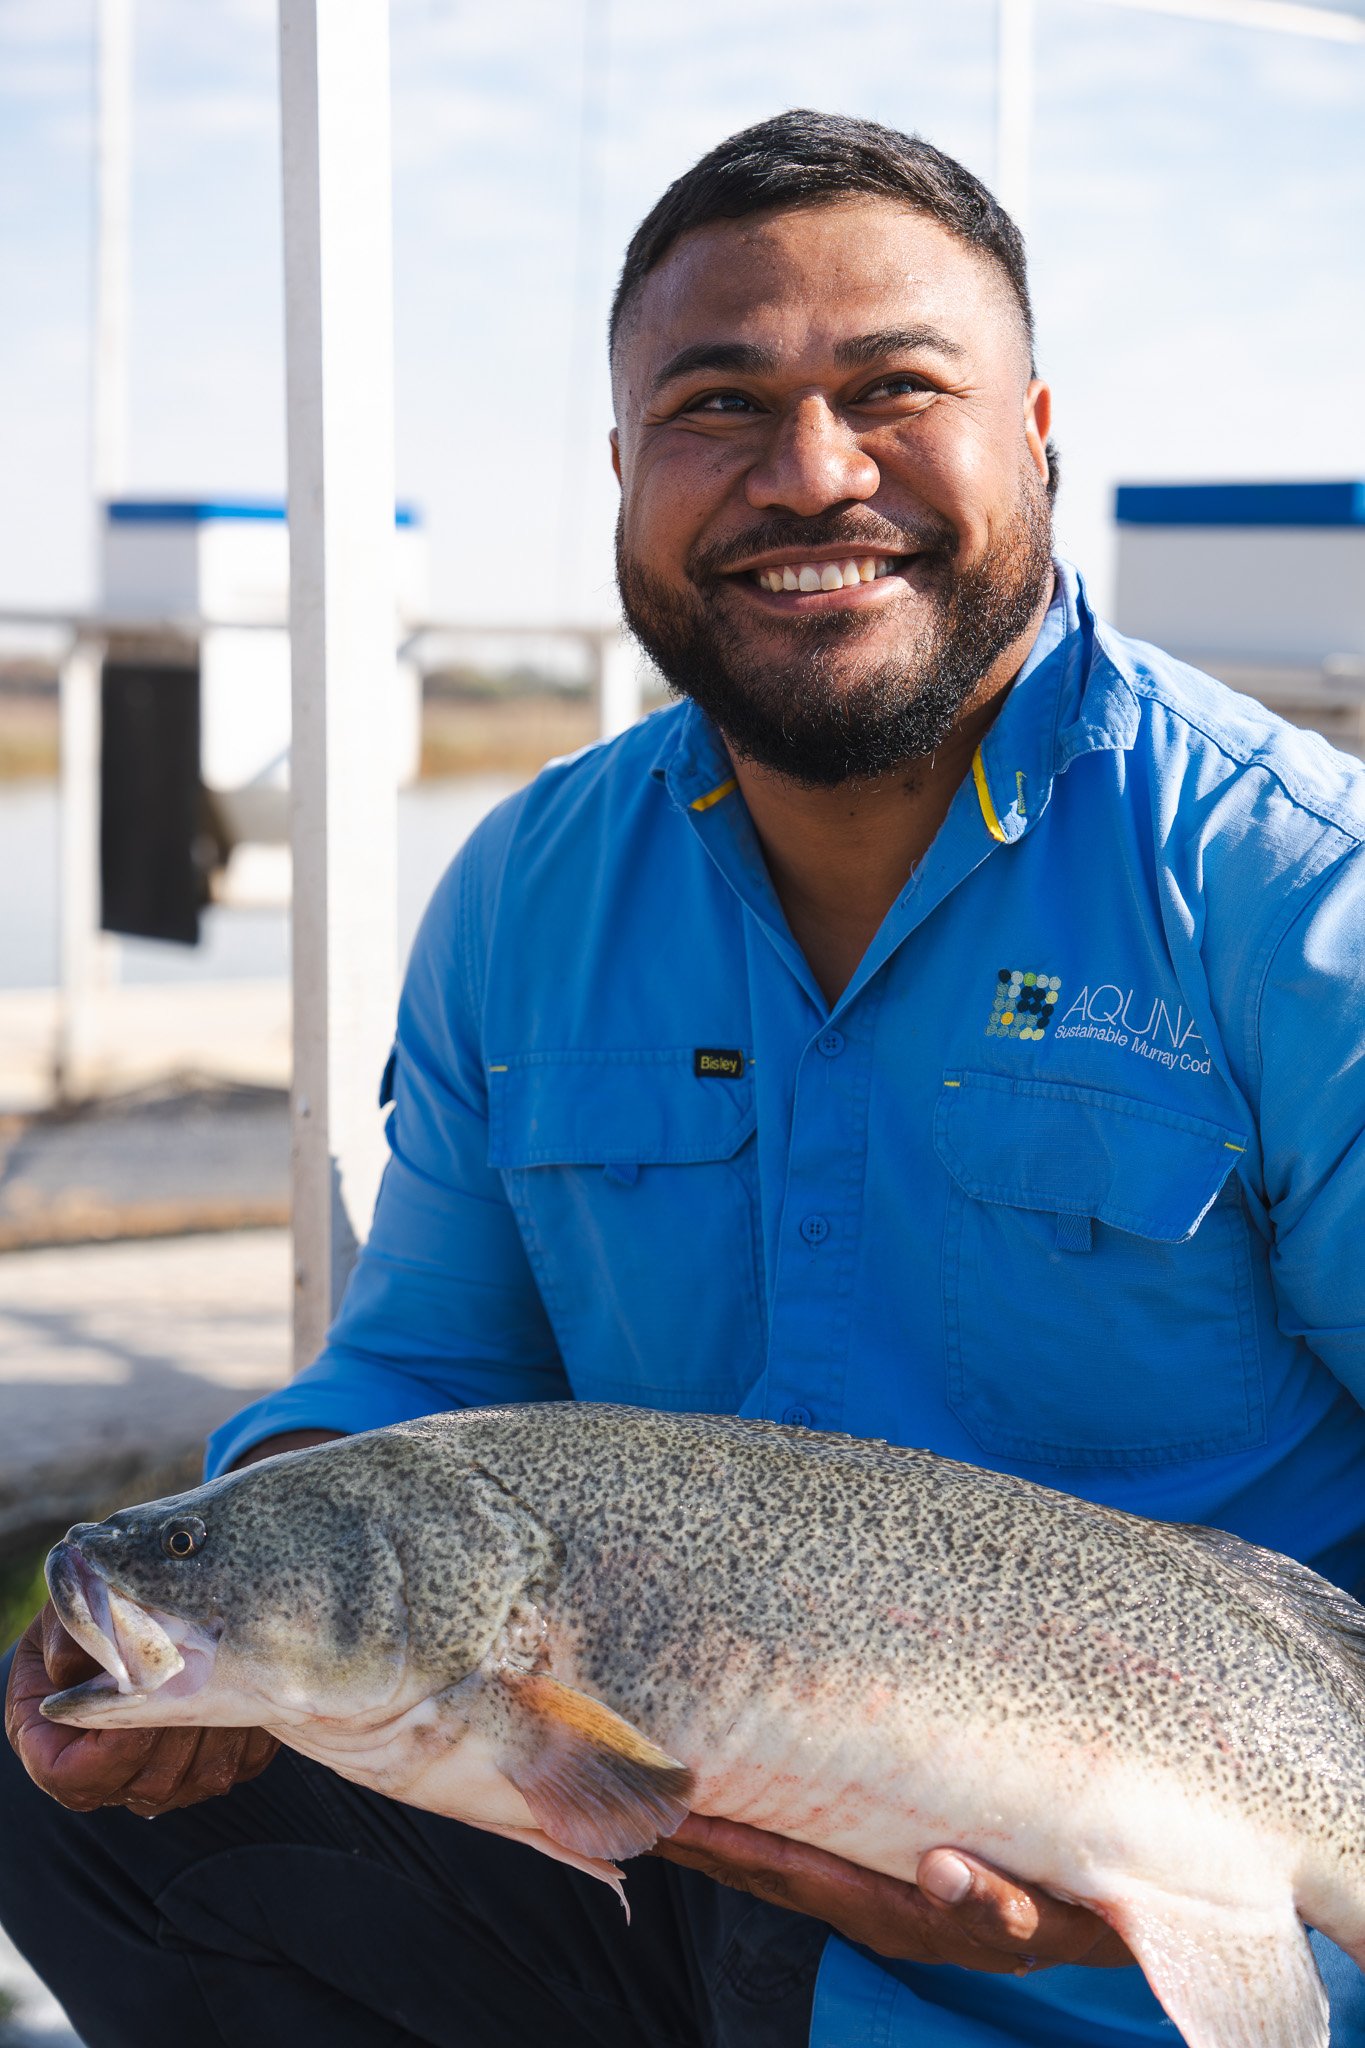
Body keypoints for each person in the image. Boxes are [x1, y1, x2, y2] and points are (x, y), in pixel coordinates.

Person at [5, 107, 1365, 2048]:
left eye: (892, 389)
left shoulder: (1291, 899)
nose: (810, 474)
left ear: (1039, 431)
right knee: (79, 1822)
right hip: (673, 1858)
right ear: (621, 473)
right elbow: (419, 1379)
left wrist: (1165, 1897)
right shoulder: (529, 893)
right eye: (716, 406)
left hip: (1148, 1958)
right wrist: (236, 1595)